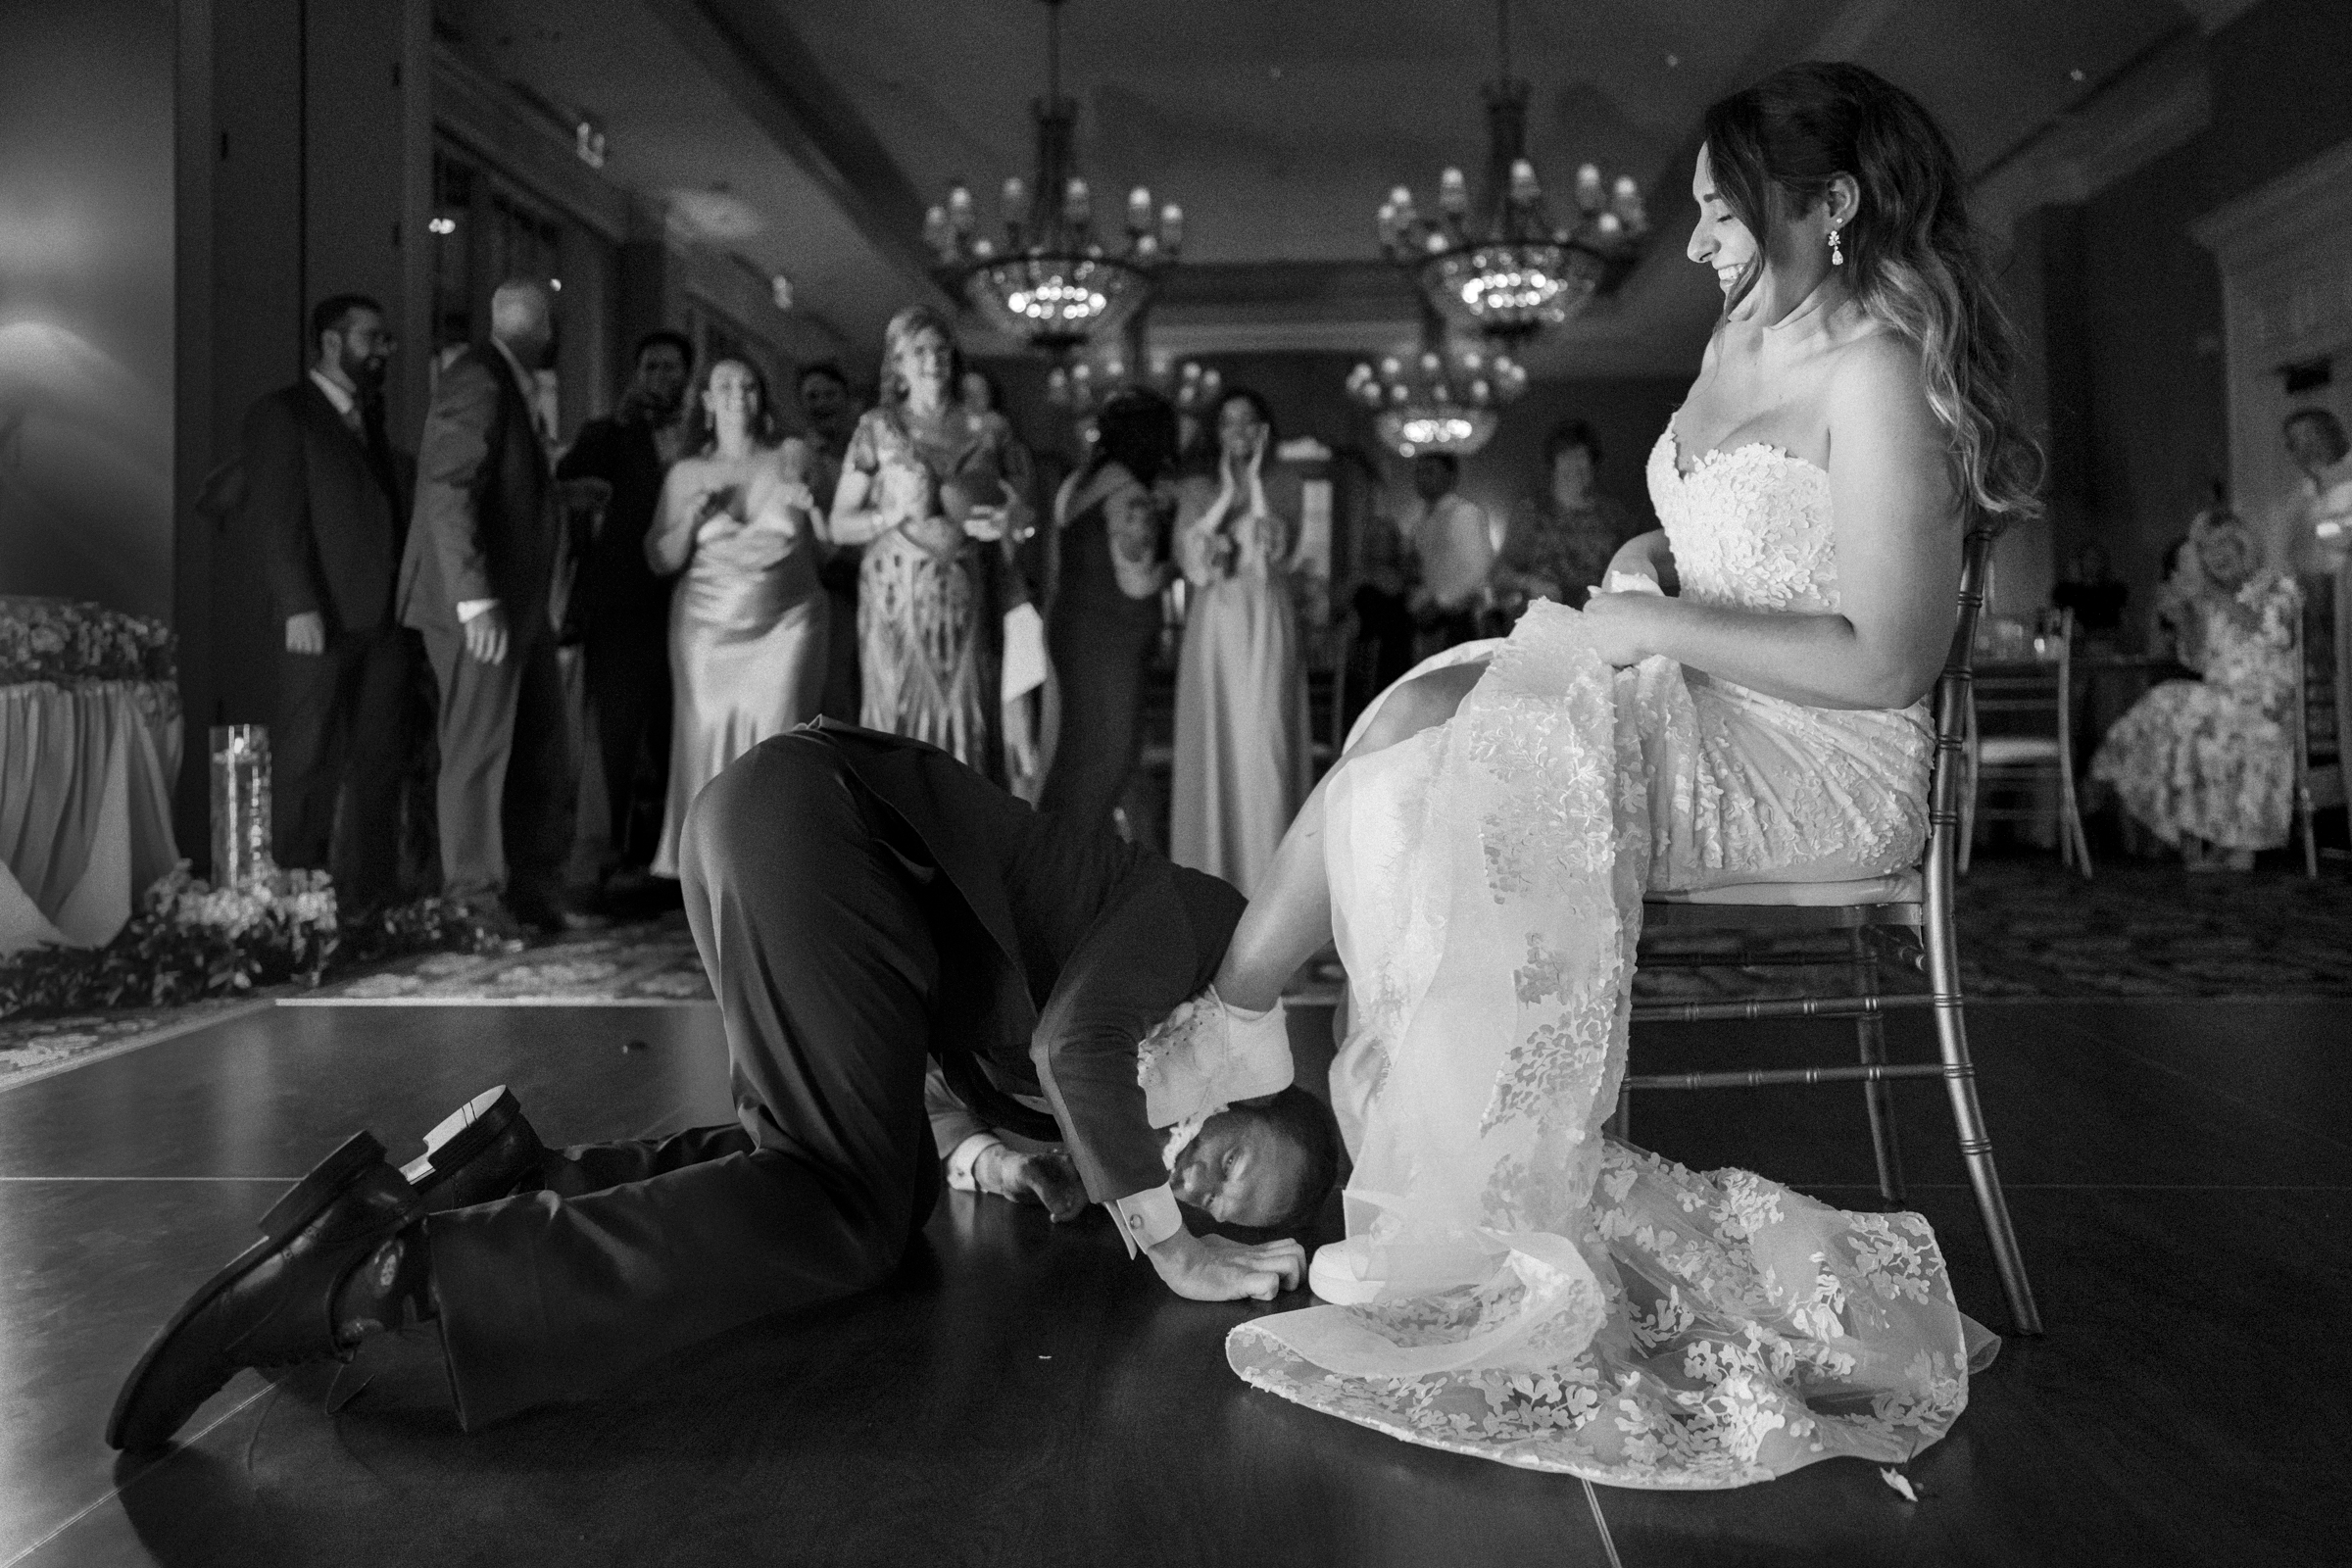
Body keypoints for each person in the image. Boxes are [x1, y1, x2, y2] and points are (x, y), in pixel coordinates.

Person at [1209, 62, 2036, 1487]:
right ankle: (1294, 1072)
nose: (1702, 242)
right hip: (1695, 689)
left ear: (1829, 207)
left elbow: (1890, 664)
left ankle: (1322, 1104)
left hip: (1817, 758)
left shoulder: (1881, 371)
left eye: (1726, 213)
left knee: (1424, 778)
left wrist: (1653, 621)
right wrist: (1651, 568)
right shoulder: (1738, 337)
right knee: (1412, 719)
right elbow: (1730, 542)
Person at [106, 719, 1344, 1450]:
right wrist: (1173, 1246)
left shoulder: (1117, 1115)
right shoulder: (1207, 939)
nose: (1196, 1183)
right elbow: (1069, 1041)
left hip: (787, 839)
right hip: (818, 824)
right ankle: (386, 1279)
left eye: (1222, 1207)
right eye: (1229, 1166)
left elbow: (944, 1061)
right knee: (844, 1215)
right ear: (1257, 1091)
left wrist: (985, 1153)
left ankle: (493, 1181)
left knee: (867, 1175)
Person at [398, 278, 590, 936]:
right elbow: (448, 486)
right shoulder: (477, 376)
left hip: (523, 606)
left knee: (540, 747)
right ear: (544, 328)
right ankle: (471, 904)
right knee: (478, 751)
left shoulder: (508, 383)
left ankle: (533, 895)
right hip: (477, 604)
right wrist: (474, 598)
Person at [242, 293, 415, 914]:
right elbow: (275, 518)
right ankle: (297, 901)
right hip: (318, 621)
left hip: (383, 622)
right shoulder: (284, 415)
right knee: (308, 760)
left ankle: (369, 902)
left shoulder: (371, 420)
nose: (385, 350)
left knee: (378, 761)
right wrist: (297, 604)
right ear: (333, 343)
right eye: (374, 338)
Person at [829, 307, 1035, 779]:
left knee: (969, 709)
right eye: (918, 350)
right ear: (896, 364)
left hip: (966, 592)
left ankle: (966, 832)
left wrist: (1007, 521)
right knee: (896, 708)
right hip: (894, 596)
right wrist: (890, 514)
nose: (932, 359)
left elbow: (1028, 514)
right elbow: (839, 523)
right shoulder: (876, 428)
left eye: (941, 349)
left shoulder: (990, 428)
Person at [643, 358, 830, 877]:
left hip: (789, 622)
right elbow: (660, 558)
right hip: (706, 628)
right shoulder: (686, 474)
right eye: (724, 386)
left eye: (749, 386)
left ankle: (779, 861)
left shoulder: (793, 456)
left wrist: (813, 508)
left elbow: (831, 549)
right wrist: (689, 519)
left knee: (781, 737)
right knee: (707, 734)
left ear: (762, 398)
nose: (737, 395)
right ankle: (711, 866)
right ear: (705, 400)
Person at [553, 330, 694, 886]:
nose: (661, 377)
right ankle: (600, 856)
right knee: (613, 729)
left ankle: (672, 858)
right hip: (623, 602)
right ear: (637, 374)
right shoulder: (608, 433)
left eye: (671, 368)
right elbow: (567, 481)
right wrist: (617, 423)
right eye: (651, 367)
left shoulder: (704, 436)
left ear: (688, 375)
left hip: (696, 602)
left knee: (678, 730)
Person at [2092, 511, 2296, 871]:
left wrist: (2209, 595)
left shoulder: (2276, 588)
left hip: (2267, 703)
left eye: (2223, 545)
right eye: (2206, 549)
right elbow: (2199, 660)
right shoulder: (2211, 601)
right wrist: (2185, 617)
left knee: (2171, 701)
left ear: (2243, 546)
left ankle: (2105, 771)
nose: (2215, 556)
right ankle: (2225, 844)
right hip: (2222, 700)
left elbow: (2269, 632)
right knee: (2182, 717)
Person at [1171, 388, 1311, 897]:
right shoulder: (1195, 488)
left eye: (1250, 422)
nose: (1240, 432)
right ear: (1215, 431)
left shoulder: (1286, 484)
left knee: (1266, 741)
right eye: (1229, 423)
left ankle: (1271, 890)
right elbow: (1193, 567)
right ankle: (1213, 883)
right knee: (1217, 743)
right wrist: (1227, 495)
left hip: (1268, 622)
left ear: (1264, 430)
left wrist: (1253, 487)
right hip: (1214, 629)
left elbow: (1282, 555)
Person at [1037, 387, 1181, 836]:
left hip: (1072, 629)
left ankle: (1048, 862)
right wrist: (1176, 562)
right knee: (1109, 761)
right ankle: (1062, 874)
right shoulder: (1130, 495)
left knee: (1072, 757)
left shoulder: (1078, 482)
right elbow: (1138, 580)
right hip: (1111, 640)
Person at [1490, 418, 1642, 624]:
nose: (1575, 465)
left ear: (1592, 463)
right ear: (1553, 463)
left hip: (1599, 625)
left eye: (1581, 457)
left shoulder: (1614, 515)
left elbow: (1635, 572)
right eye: (1566, 457)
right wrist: (1531, 583)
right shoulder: (1531, 512)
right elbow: (1500, 575)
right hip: (1542, 626)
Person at [799, 362, 866, 724]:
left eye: (829, 394)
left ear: (848, 401)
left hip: (871, 577)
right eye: (812, 396)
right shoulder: (797, 458)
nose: (821, 403)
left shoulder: (867, 453)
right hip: (826, 586)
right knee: (832, 686)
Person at [1396, 452, 1493, 655]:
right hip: (1428, 617)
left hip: (1458, 617)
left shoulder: (1463, 514)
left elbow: (1477, 569)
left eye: (1430, 472)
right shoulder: (1420, 522)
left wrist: (1440, 603)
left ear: (1450, 477)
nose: (1422, 478)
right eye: (1419, 472)